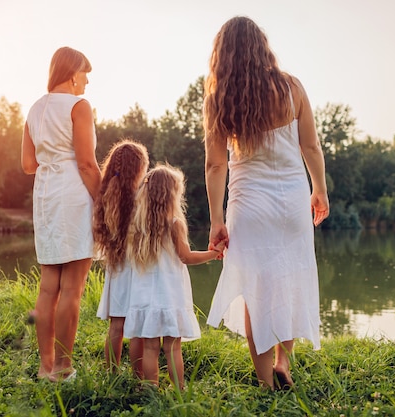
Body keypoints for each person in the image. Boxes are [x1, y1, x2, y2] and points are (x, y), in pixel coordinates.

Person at [203, 17, 330, 390]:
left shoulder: (219, 99)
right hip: (292, 201)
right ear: (263, 46)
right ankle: (283, 361)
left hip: (249, 206)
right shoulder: (292, 88)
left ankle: (264, 381)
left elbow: (215, 164)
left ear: (222, 54)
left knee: (255, 292)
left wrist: (215, 219)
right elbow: (311, 146)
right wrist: (319, 188)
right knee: (289, 280)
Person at [21, 46, 102, 382]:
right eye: (85, 74)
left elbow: (28, 165)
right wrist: (105, 203)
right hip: (73, 194)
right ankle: (63, 368)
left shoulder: (34, 109)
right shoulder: (78, 106)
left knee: (48, 286)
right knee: (72, 288)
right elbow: (86, 162)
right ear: (72, 74)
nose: (86, 81)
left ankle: (45, 365)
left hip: (45, 195)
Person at [123, 164, 225, 389]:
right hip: (169, 295)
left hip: (145, 297)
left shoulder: (138, 225)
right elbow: (186, 257)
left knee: (150, 347)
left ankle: (150, 389)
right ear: (172, 194)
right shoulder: (174, 224)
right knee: (172, 347)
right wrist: (213, 253)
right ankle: (179, 389)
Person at [93, 139, 150, 376]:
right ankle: (138, 376)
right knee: (136, 328)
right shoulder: (140, 197)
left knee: (116, 327)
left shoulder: (106, 194)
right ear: (138, 168)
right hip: (136, 268)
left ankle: (112, 374)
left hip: (115, 267)